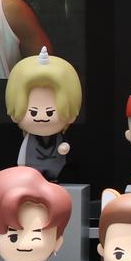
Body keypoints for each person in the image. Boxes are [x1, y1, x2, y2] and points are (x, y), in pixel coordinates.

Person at [6, 48, 82, 181]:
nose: (42, 117)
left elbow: (64, 146)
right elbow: (22, 157)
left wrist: (64, 147)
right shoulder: (29, 141)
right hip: (31, 169)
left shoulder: (58, 138)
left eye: (50, 112)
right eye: (33, 112)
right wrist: (21, 165)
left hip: (55, 165)